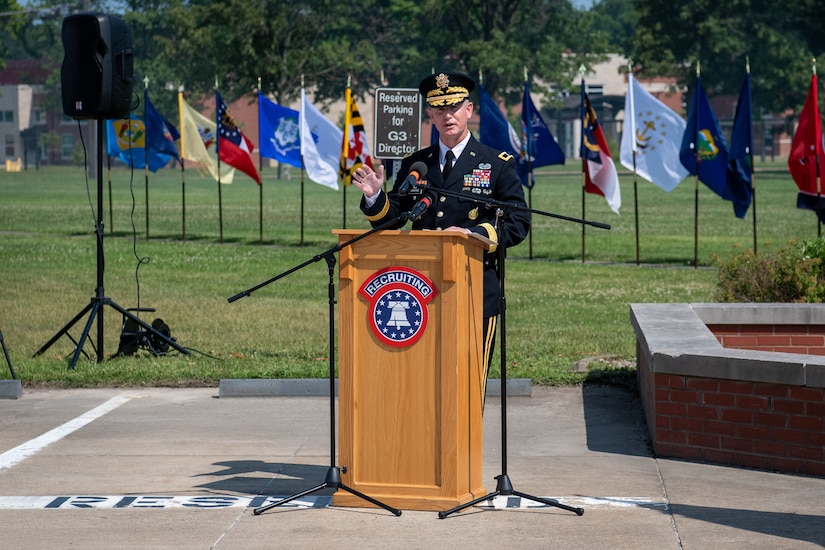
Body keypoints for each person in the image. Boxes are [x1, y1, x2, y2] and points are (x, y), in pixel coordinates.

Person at [351, 71, 530, 402]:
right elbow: (394, 222)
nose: (448, 115)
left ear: (469, 111)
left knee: (468, 386)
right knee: (425, 382)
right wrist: (376, 197)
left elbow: (518, 222)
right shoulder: (416, 165)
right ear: (430, 116)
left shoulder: (496, 164)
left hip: (475, 288)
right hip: (423, 291)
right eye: (439, 109)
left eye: (454, 107)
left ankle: (465, 454)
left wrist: (472, 234)